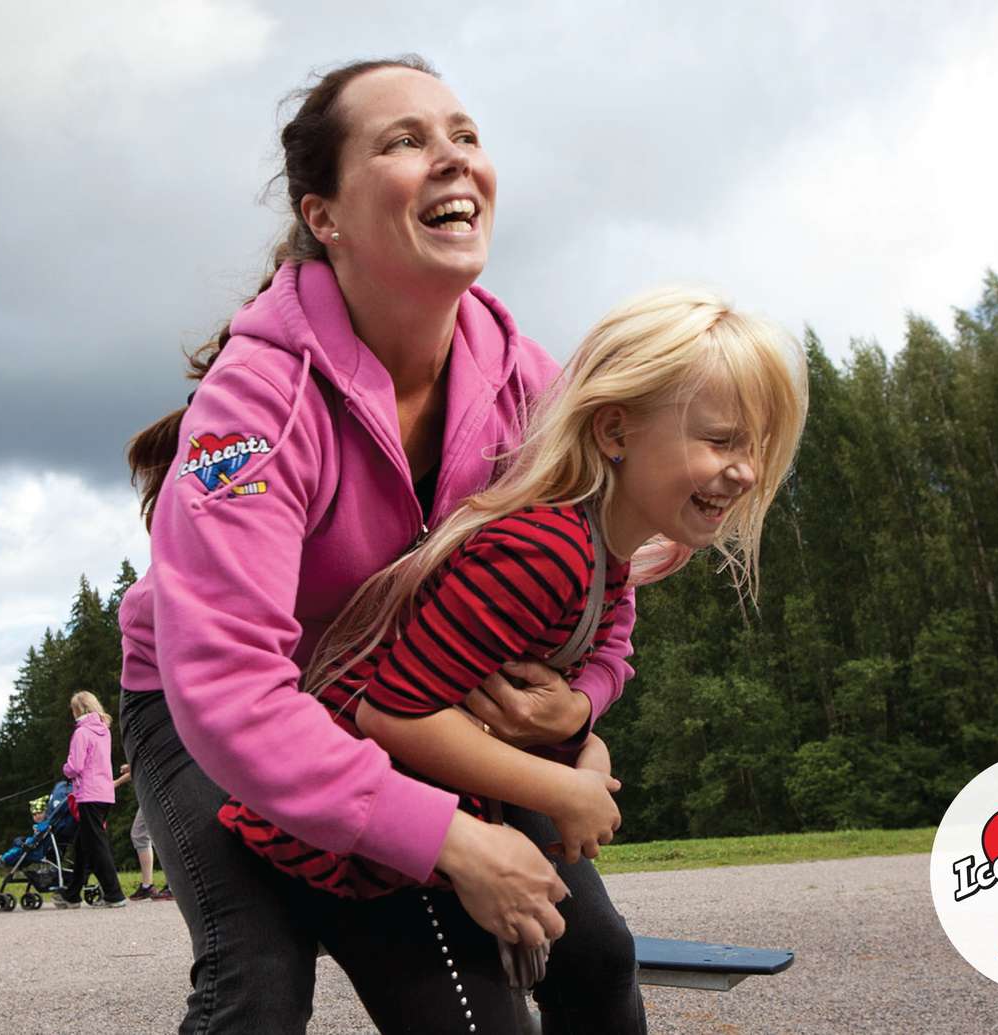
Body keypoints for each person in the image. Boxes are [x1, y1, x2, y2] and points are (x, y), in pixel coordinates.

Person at [119, 57, 640, 1032]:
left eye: (465, 135)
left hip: (401, 698)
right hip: (209, 710)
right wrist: (442, 836)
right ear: (324, 216)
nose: (451, 158)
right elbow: (230, 690)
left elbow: (601, 584)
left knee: (596, 956)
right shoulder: (252, 410)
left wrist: (579, 704)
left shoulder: (530, 386)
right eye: (404, 141)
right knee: (258, 985)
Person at [222, 285, 808, 912]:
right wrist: (562, 791)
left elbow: (545, 682)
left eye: (756, 448)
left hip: (403, 820)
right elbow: (393, 713)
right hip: (335, 837)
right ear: (616, 431)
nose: (746, 471)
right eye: (721, 441)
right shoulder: (547, 553)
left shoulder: (604, 559)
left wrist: (583, 742)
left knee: (593, 957)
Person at [55, 691, 127, 909]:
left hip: (88, 793)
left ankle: (114, 894)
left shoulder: (81, 733)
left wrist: (65, 769)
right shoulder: (103, 730)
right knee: (83, 844)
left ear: (78, 709)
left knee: (96, 845)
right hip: (105, 793)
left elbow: (75, 766)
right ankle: (72, 894)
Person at [116, 764, 174, 901]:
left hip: (161, 787)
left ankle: (173, 886)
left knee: (161, 834)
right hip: (153, 790)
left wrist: (119, 780)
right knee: (141, 834)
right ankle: (148, 886)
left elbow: (153, 760)